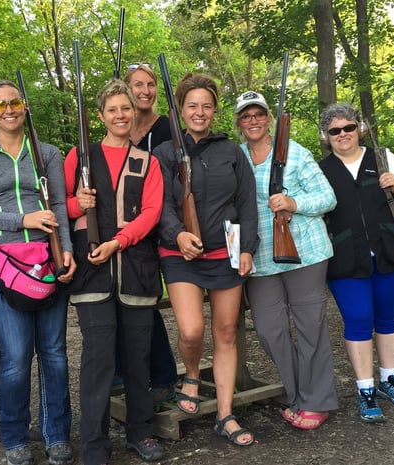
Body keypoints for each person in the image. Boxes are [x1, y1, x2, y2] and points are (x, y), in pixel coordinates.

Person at [0, 80, 76, 465]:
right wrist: (20, 218)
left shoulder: (46, 153)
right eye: (0, 104)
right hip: (2, 263)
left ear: (24, 107)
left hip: (47, 260)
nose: (8, 109)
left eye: (15, 102)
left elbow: (59, 204)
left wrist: (69, 253)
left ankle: (56, 434)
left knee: (55, 353)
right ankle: (14, 438)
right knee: (14, 356)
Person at [64, 79, 166, 465]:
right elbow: (58, 206)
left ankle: (140, 433)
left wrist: (118, 242)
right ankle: (94, 446)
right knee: (98, 359)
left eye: (126, 108)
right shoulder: (80, 156)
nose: (121, 115)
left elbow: (153, 213)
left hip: (137, 271)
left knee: (138, 358)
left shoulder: (148, 161)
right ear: (101, 115)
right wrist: (78, 203)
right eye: (113, 110)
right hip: (91, 276)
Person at [153, 73, 258, 446]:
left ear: (215, 110)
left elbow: (247, 203)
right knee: (192, 329)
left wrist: (248, 247)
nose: (200, 112)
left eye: (207, 106)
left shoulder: (232, 152)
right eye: (192, 105)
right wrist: (176, 234)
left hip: (225, 255)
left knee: (226, 333)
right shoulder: (164, 153)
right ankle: (193, 373)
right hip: (179, 255)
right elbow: (160, 203)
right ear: (180, 109)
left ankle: (226, 414)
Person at [234, 91, 339, 430]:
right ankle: (297, 395)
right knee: (270, 330)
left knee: (311, 328)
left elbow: (327, 197)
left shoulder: (295, 153)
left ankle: (316, 401)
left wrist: (293, 203)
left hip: (305, 255)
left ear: (268, 119)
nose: (253, 120)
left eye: (259, 114)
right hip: (260, 260)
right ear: (239, 122)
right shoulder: (236, 158)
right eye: (246, 115)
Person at [317, 103, 394, 423]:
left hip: (390, 249)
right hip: (345, 256)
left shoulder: (383, 156)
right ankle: (366, 389)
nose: (343, 135)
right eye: (335, 131)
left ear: (359, 127)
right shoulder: (319, 169)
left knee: (388, 318)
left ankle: (390, 380)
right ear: (326, 136)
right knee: (359, 319)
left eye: (348, 127)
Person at [123, 62, 178, 403]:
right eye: (137, 84)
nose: (145, 90)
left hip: (160, 223)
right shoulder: (119, 123)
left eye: (151, 84)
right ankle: (126, 370)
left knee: (145, 303)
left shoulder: (168, 128)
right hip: (124, 227)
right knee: (122, 301)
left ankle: (163, 375)